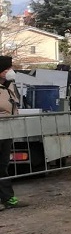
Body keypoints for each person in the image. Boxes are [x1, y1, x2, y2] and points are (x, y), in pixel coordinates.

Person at [0, 55, 23, 210]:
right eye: (7, 68)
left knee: (3, 166)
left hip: (7, 131)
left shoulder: (10, 86)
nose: (10, 71)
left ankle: (8, 198)